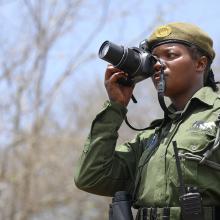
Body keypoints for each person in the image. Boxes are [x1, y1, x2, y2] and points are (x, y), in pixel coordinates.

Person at [74, 22, 220, 220]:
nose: (158, 64)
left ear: (200, 64)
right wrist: (116, 107)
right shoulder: (151, 138)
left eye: (171, 55)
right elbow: (91, 177)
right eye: (154, 58)